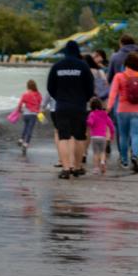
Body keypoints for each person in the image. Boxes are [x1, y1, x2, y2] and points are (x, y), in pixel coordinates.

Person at [46, 40, 95, 179]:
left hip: (61, 106)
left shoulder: (57, 67)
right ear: (77, 51)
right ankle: (77, 167)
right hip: (79, 106)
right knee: (79, 137)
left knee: (63, 137)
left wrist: (60, 98)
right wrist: (83, 99)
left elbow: (50, 88)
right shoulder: (83, 66)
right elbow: (90, 88)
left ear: (65, 51)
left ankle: (66, 168)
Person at [107, 50, 138, 173]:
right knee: (136, 135)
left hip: (122, 110)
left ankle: (124, 160)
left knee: (123, 135)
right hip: (137, 110)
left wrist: (108, 107)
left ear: (126, 64)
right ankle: (134, 155)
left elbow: (112, 94)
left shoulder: (119, 76)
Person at [86, 97, 116, 174]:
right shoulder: (105, 114)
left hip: (94, 137)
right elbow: (111, 126)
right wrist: (112, 135)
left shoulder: (92, 114)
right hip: (103, 137)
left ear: (91, 106)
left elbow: (90, 123)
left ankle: (96, 168)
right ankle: (102, 162)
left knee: (96, 153)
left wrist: (87, 122)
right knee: (103, 152)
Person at [15, 79, 43, 150]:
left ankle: (21, 139)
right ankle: (26, 143)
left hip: (25, 114)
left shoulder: (25, 94)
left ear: (27, 86)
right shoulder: (38, 94)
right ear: (35, 86)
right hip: (33, 114)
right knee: (30, 129)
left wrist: (19, 110)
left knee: (25, 127)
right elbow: (40, 104)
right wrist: (39, 113)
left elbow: (20, 104)